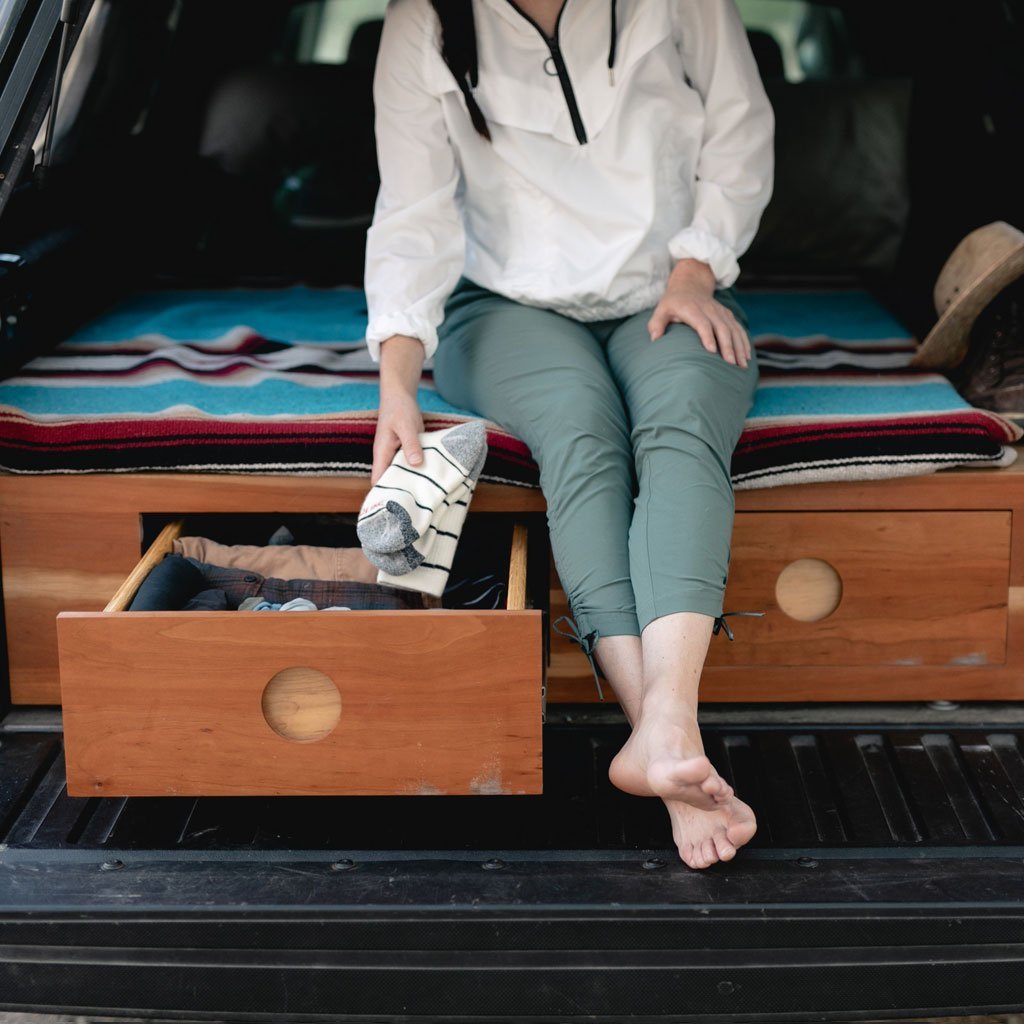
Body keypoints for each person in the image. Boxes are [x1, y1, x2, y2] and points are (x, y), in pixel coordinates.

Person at [364, 0, 775, 869]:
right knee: (583, 435)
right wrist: (396, 382)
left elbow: (740, 129)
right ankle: (662, 737)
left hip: (671, 287)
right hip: (503, 305)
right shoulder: (422, 23)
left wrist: (697, 269)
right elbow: (413, 216)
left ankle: (663, 735)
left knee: (681, 429)